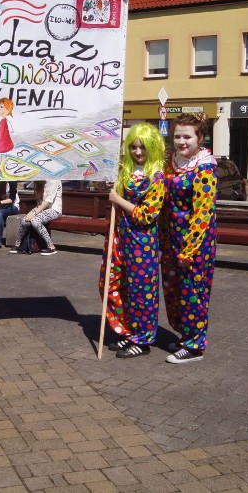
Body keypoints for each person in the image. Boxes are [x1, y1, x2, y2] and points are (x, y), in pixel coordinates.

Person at [102, 123, 166, 359]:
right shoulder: (126, 172)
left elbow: (147, 214)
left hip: (143, 243)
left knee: (142, 290)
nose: (138, 152)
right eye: (133, 147)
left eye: (143, 147)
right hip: (121, 238)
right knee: (115, 285)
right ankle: (127, 331)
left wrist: (118, 199)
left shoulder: (157, 177)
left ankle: (143, 339)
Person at [161, 113, 218, 364]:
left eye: (187, 136)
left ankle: (195, 345)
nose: (182, 141)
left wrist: (189, 249)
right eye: (177, 136)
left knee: (193, 291)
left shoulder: (205, 167)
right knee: (175, 291)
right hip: (172, 239)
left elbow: (203, 212)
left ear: (200, 138)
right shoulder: (172, 162)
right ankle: (186, 335)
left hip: (195, 243)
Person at [10, 180, 62, 256]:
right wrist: (34, 212)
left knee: (35, 220)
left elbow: (48, 201)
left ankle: (51, 247)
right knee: (25, 220)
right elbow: (39, 202)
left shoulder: (54, 180)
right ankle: (18, 245)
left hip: (54, 209)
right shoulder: (38, 182)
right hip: (41, 208)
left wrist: (35, 213)